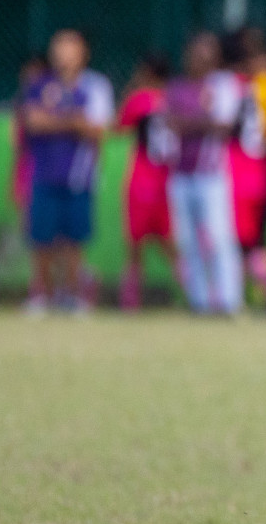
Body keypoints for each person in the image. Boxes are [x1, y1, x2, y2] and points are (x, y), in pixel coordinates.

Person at [19, 30, 113, 315]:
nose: (63, 54)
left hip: (79, 176)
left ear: (83, 52)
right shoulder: (39, 85)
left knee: (74, 238)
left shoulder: (95, 86)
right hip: (44, 173)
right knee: (42, 238)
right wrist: (73, 120)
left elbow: (97, 129)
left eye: (69, 48)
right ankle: (42, 295)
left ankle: (73, 295)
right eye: (58, 48)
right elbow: (33, 122)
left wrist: (59, 119)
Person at [164, 31, 245, 316]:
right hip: (180, 173)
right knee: (188, 241)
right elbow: (169, 125)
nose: (202, 57)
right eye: (196, 51)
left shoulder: (223, 85)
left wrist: (188, 122)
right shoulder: (177, 87)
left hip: (211, 174)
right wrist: (201, 120)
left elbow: (224, 126)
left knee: (220, 237)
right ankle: (199, 300)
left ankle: (228, 300)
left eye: (207, 51)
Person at [225, 28, 266, 308]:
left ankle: (245, 295)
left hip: (238, 171)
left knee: (240, 240)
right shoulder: (265, 86)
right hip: (257, 171)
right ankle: (264, 290)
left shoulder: (229, 85)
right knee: (255, 239)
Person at [116, 54, 177, 310]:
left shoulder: (140, 99)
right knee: (170, 243)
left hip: (142, 179)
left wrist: (131, 88)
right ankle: (194, 291)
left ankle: (131, 299)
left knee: (135, 244)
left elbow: (118, 126)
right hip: (170, 181)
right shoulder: (176, 98)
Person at [11, 54, 47, 307]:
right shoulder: (21, 105)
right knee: (33, 233)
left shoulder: (50, 100)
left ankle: (72, 283)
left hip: (46, 171)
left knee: (49, 234)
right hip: (27, 172)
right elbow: (17, 146)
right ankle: (40, 289)